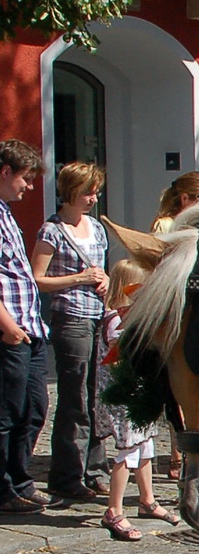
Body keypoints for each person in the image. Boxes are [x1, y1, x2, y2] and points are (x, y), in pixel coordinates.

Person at [31, 160, 111, 505]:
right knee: (75, 396)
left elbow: (103, 271)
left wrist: (106, 281)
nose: (93, 198)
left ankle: (96, 468)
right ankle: (67, 474)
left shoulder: (95, 227)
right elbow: (38, 278)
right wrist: (79, 279)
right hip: (71, 317)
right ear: (72, 192)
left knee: (98, 395)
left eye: (96, 192)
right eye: (88, 192)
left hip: (97, 315)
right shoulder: (52, 231)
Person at [93, 259, 177, 539]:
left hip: (139, 393)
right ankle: (114, 510)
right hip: (124, 396)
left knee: (146, 446)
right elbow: (121, 352)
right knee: (127, 451)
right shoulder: (116, 319)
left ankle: (147, 499)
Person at [0, 141, 51, 514]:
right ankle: (3, 489)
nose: (29, 187)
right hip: (11, 332)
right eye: (25, 178)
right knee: (7, 414)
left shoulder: (6, 213)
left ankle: (20, 479)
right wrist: (9, 327)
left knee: (34, 407)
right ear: (5, 172)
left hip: (29, 331)